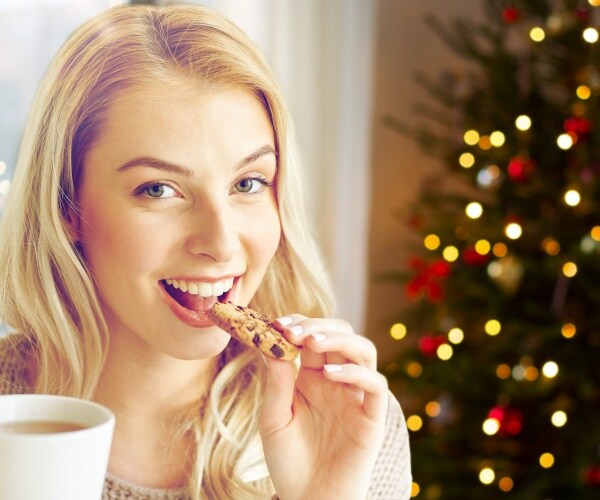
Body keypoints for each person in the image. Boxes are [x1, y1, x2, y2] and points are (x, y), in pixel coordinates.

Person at [0, 4, 411, 499]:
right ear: (66, 203)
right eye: (158, 190)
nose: (220, 243)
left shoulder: (350, 422)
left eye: (248, 182)